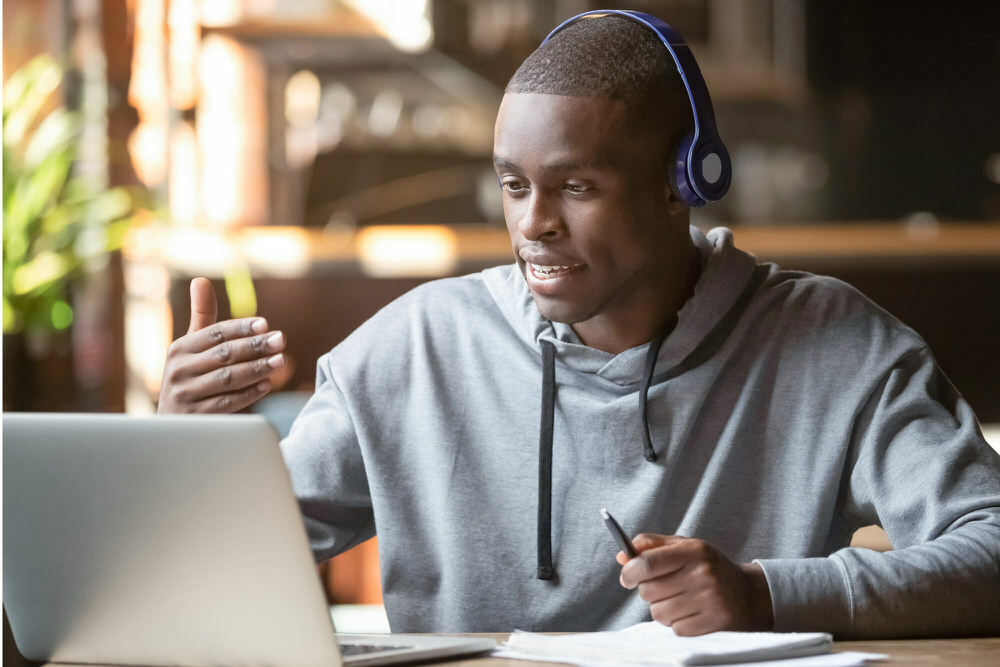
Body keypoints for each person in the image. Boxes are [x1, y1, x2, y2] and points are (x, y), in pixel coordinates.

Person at [157, 14, 1000, 637]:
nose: (534, 225)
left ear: (684, 183)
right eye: (513, 185)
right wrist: (184, 457)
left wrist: (763, 593)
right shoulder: (410, 349)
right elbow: (201, 582)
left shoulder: (834, 343)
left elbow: (990, 548)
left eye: (576, 187)